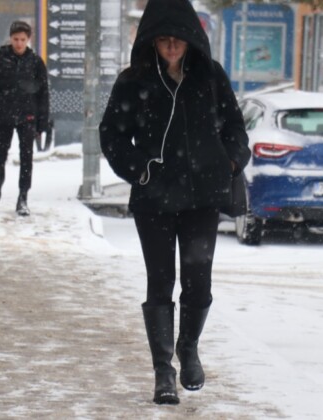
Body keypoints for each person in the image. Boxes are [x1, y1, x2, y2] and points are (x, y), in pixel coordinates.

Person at [99, 0, 250, 406]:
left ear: (190, 39)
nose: (170, 47)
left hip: (203, 197)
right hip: (154, 200)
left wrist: (231, 160)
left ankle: (189, 348)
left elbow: (236, 126)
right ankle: (163, 371)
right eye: (162, 40)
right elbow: (111, 134)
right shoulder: (133, 81)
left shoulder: (210, 77)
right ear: (151, 40)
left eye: (176, 40)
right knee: (160, 282)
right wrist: (139, 170)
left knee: (198, 282)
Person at [0, 21, 49, 216]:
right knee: (0, 153)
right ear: (10, 38)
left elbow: (44, 93)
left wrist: (42, 121)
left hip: (28, 116)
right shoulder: (0, 59)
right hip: (3, 114)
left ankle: (23, 196)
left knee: (27, 157)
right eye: (16, 39)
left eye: (23, 40)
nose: (19, 43)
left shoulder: (35, 62)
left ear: (29, 40)